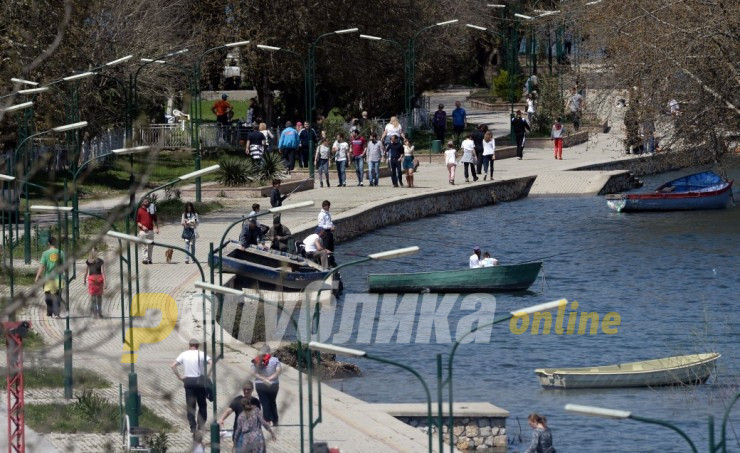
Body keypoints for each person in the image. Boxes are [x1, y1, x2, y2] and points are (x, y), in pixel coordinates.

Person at [171, 339, 212, 433]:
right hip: (200, 381)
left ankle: (192, 426)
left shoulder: (184, 354)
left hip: (188, 382)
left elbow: (173, 365)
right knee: (202, 404)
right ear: (198, 345)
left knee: (190, 406)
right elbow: (211, 362)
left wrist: (180, 377)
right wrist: (208, 375)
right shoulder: (201, 354)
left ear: (189, 345)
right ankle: (201, 425)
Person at [252, 344, 282, 426]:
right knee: (272, 402)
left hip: (260, 384)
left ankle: (267, 420)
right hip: (273, 384)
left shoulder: (256, 359)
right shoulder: (275, 360)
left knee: (264, 402)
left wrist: (263, 379)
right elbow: (278, 371)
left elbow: (254, 373)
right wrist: (270, 378)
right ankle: (275, 420)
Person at [36, 236, 65, 318]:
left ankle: (49, 312)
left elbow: (41, 266)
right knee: (57, 296)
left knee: (48, 296)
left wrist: (37, 276)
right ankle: (56, 313)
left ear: (48, 243)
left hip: (48, 278)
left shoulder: (45, 253)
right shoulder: (61, 252)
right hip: (59, 278)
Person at [83, 247, 105, 318]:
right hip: (99, 279)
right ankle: (100, 312)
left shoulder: (88, 261)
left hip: (92, 280)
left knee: (93, 297)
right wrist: (106, 281)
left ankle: (94, 313)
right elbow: (103, 272)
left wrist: (84, 280)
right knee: (99, 296)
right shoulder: (101, 261)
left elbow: (86, 272)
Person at [136, 197, 159, 264]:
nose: (147, 203)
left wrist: (157, 228)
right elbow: (137, 222)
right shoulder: (139, 210)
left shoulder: (151, 210)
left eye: (148, 201)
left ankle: (149, 259)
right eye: (146, 201)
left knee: (151, 245)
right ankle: (144, 259)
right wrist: (142, 227)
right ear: (142, 203)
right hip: (143, 231)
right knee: (144, 245)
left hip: (150, 230)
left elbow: (155, 220)